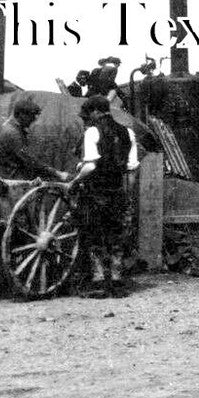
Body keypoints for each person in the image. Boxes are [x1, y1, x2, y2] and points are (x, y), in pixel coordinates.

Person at [69, 95, 139, 297]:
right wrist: (127, 193)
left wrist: (75, 181)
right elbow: (132, 168)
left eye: (88, 114)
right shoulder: (128, 132)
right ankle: (116, 282)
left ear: (95, 112)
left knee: (95, 235)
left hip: (95, 192)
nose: (87, 119)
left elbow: (91, 165)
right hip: (117, 191)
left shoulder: (92, 131)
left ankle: (99, 281)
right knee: (116, 237)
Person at [0, 95, 67, 182]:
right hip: (9, 181)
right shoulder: (12, 133)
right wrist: (57, 173)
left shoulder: (12, 129)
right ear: (21, 115)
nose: (33, 120)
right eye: (31, 116)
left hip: (6, 178)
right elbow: (29, 160)